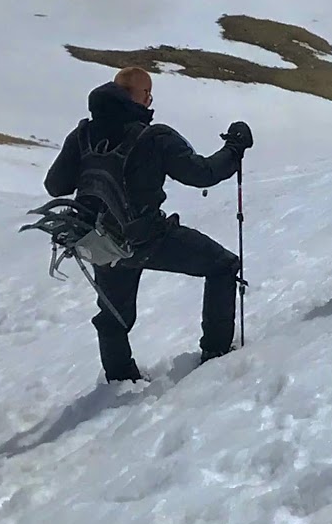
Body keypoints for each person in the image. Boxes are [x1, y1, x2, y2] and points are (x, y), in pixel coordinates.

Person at [44, 66, 253, 383]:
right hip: (149, 238)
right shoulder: (154, 137)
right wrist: (234, 148)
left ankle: (119, 379)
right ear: (140, 97)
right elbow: (203, 174)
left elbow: (54, 186)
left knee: (114, 316)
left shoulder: (83, 134)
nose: (151, 100)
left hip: (102, 242)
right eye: (149, 94)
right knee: (222, 265)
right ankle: (215, 353)